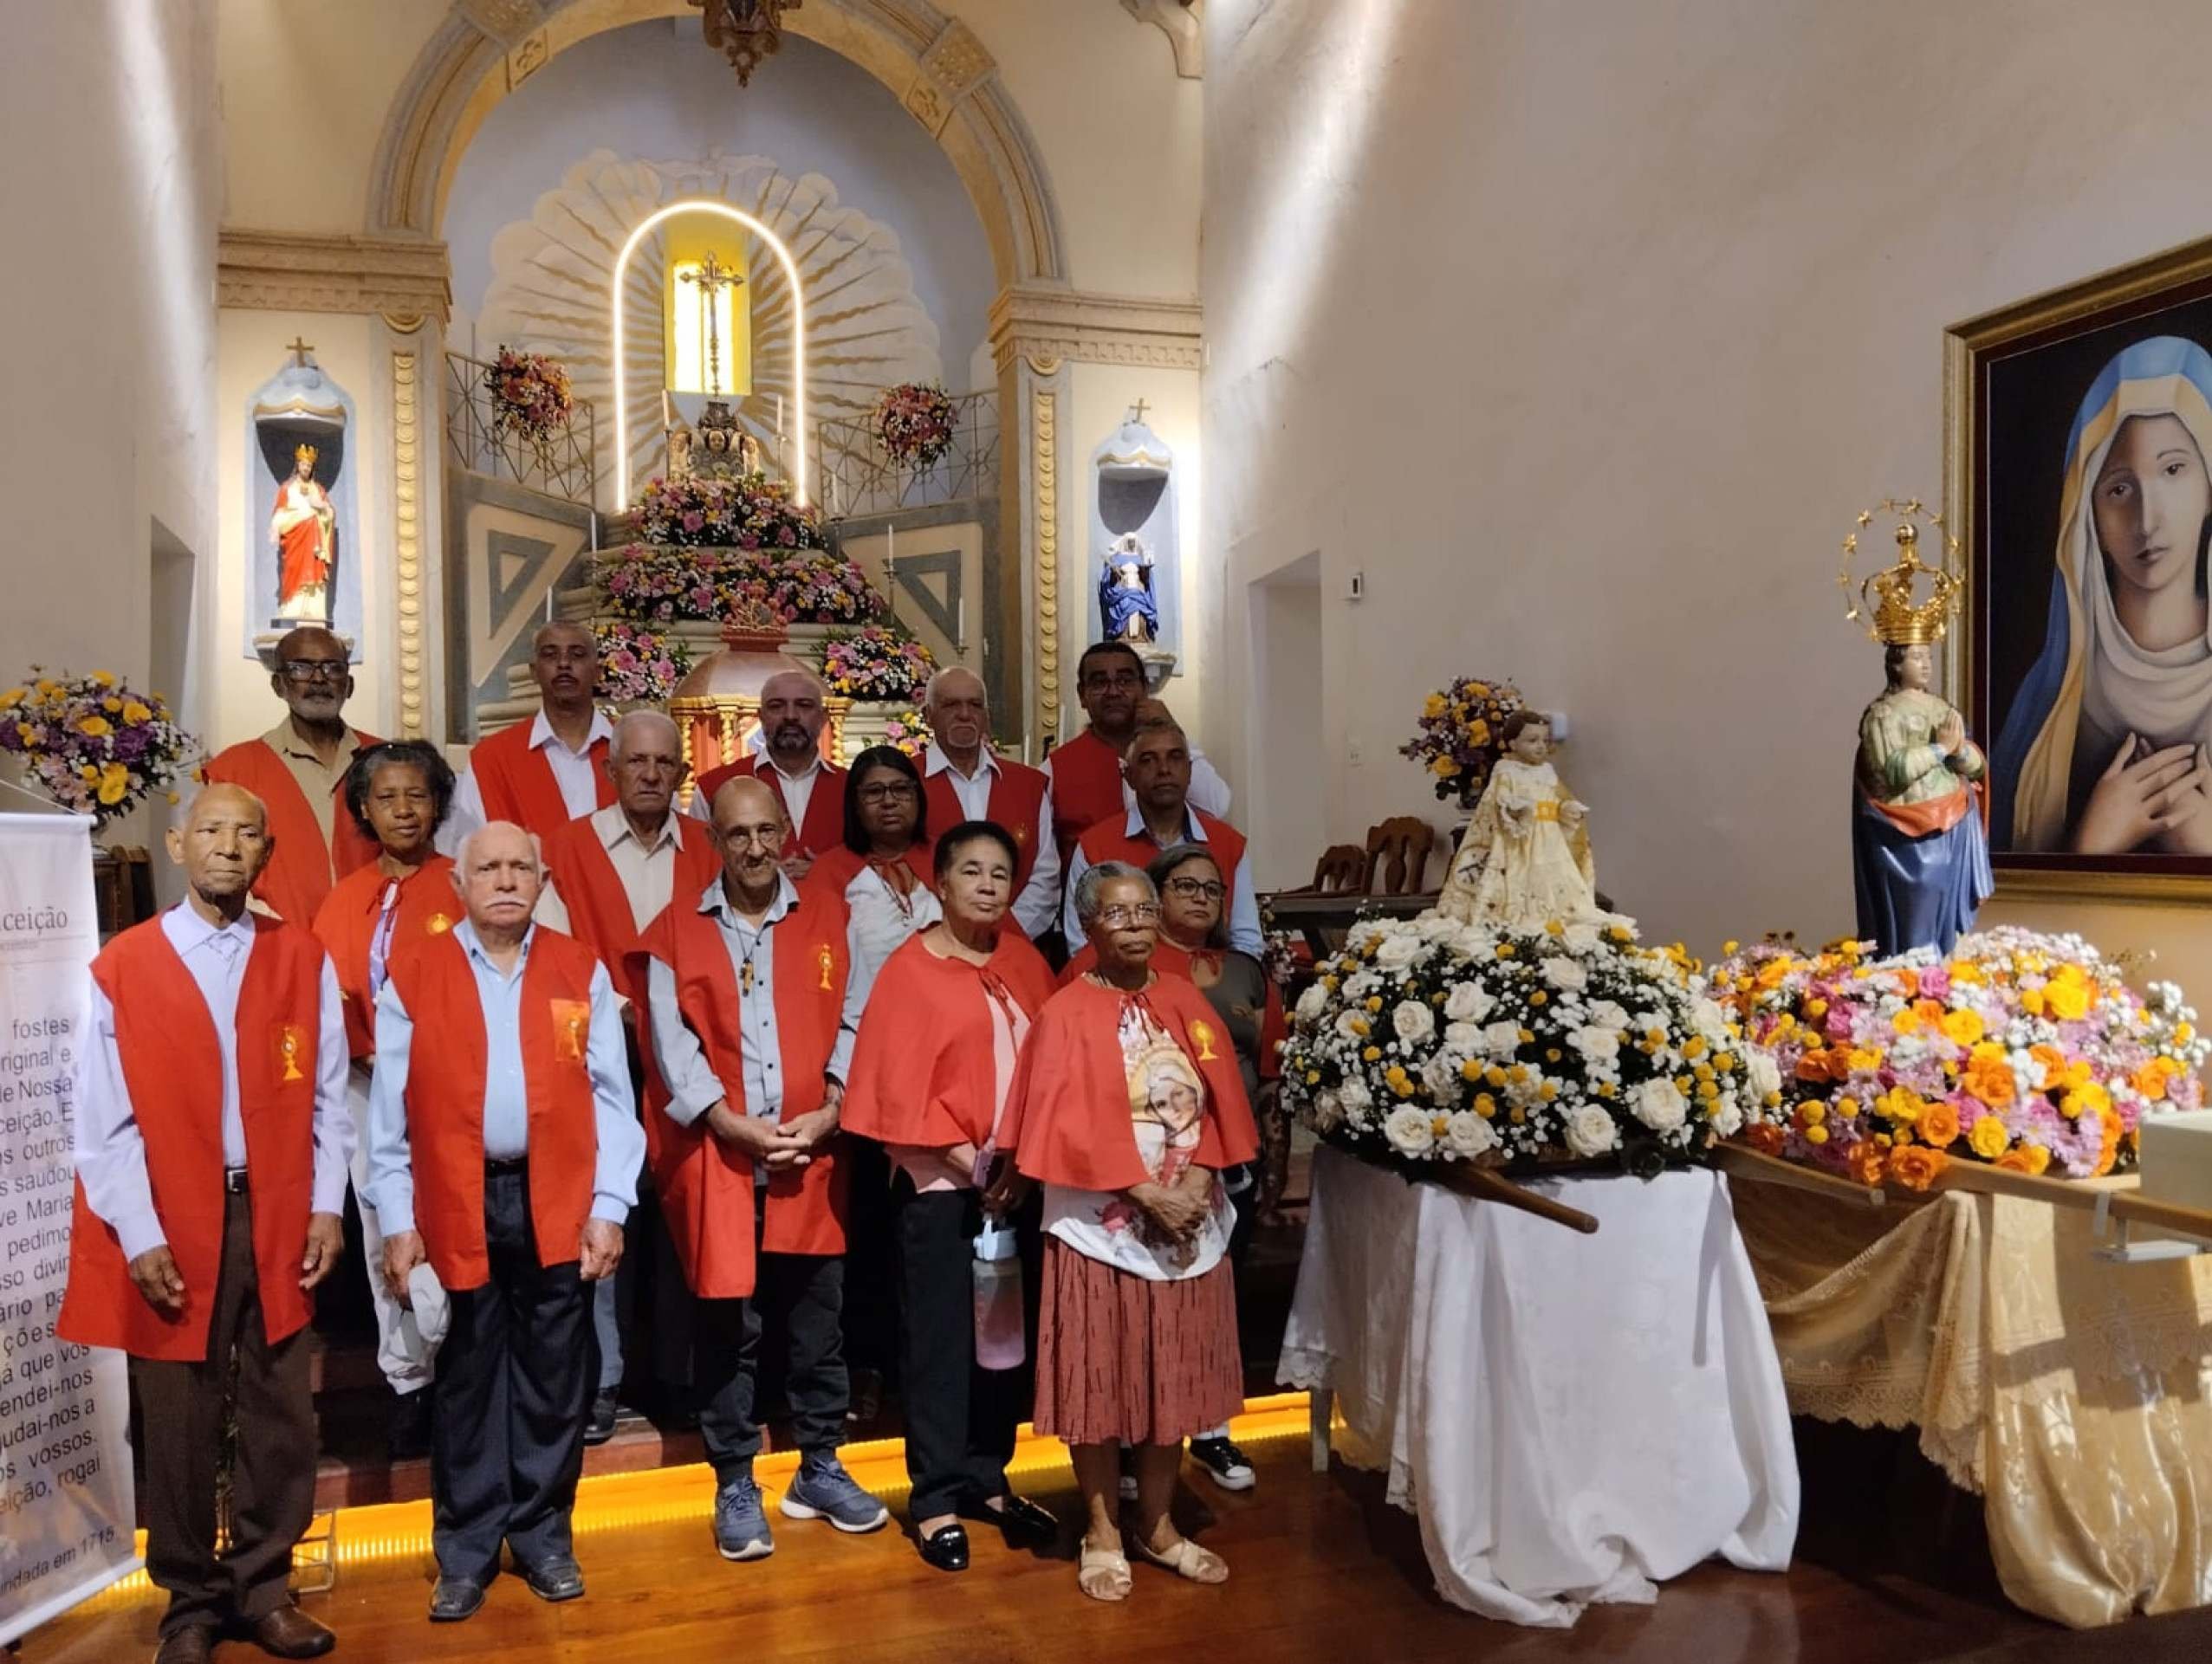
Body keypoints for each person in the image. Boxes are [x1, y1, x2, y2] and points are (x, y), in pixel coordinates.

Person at [58, 784, 351, 1664]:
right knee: (179, 1416)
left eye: (247, 833)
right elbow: (100, 1120)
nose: (229, 846)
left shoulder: (300, 956)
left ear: (267, 852)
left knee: (278, 1410)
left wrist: (327, 1204)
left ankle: (264, 1585)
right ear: (179, 842)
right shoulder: (126, 965)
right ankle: (188, 1600)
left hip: (276, 1209)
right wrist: (139, 1230)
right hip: (169, 1217)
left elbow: (330, 1100)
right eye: (211, 830)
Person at [367, 822, 644, 1623]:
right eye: (487, 866)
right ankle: (466, 1549)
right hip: (456, 1201)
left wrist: (609, 1206)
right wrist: (396, 1215)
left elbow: (613, 1103)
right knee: (466, 1379)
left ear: (544, 878)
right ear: (458, 881)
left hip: (557, 1197)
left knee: (557, 1376)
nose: (505, 879)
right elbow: (387, 1113)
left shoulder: (577, 967)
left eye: (520, 866)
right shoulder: (414, 970)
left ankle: (545, 1535)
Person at [641, 776, 888, 1564]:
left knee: (819, 1325)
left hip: (813, 1150)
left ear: (786, 830)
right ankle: (734, 1478)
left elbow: (858, 1014)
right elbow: (669, 1042)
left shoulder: (828, 916)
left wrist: (834, 1108)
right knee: (729, 1326)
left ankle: (819, 1463)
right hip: (722, 1155)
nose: (753, 848)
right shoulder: (674, 929)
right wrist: (726, 1121)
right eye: (735, 834)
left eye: (764, 831)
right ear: (712, 840)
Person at [1001, 862, 1259, 1602]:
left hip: (1186, 1220)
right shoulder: (1064, 1012)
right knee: (1101, 1377)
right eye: (1119, 913)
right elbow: (1055, 1121)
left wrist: (1201, 1177)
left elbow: (1219, 1102)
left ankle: (1158, 1520)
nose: (1139, 923)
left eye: (1147, 909)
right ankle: (1101, 1527)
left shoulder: (1183, 996)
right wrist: (1141, 1187)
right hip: (1100, 1228)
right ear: (1089, 925)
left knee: (1168, 1375)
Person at [841, 821, 1061, 1571]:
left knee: (1001, 1344)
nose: (988, 884)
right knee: (939, 1340)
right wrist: (975, 1162)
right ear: (940, 882)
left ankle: (985, 1473)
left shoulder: (1026, 962)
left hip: (1015, 1186)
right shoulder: (909, 970)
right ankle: (933, 1493)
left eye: (1001, 873)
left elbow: (1055, 1069)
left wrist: (1023, 1167)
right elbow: (895, 1090)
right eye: (972, 870)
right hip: (941, 1184)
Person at [537, 709, 721, 1443]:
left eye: (663, 763)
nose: (650, 774)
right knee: (603, 1209)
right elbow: (551, 951)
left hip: (695, 1055)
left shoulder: (708, 848)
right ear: (610, 771)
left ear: (682, 773)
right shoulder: (564, 847)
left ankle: (676, 1373)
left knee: (685, 1212)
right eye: (635, 762)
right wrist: (620, 1013)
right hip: (595, 1049)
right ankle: (602, 1379)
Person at [1995, 334, 2212, 853]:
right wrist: (2093, 841)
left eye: (2174, 470)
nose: (2147, 519)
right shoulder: (2050, 702)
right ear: (2086, 512)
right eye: (2118, 487)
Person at [309, 741, 458, 1461]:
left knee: (452, 1230)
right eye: (387, 797)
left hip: (451, 1093)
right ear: (363, 810)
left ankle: (459, 1372)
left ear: (439, 804)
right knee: (383, 1240)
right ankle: (409, 1384)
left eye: (418, 795)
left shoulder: (466, 884)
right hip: (367, 1093)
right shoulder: (343, 898)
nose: (404, 809)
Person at [802, 745, 941, 1423]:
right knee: (869, 1229)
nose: (888, 802)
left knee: (929, 1229)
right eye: (872, 792)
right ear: (853, 806)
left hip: (942, 1073)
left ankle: (930, 1363)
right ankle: (866, 1366)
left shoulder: (947, 862)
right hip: (864, 1071)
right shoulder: (830, 872)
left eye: (900, 789)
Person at [200, 625, 379, 927]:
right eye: (301, 668)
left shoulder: (383, 760)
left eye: (332, 668)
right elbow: (216, 868)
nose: (319, 679)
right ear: (279, 685)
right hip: (273, 940)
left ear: (348, 685)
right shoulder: (235, 769)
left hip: (373, 941)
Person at [1063, 715, 1261, 955]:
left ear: (1189, 772)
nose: (1164, 770)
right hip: (1123, 985)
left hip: (1214, 984)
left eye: (1175, 758)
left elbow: (1246, 943)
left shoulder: (1228, 844)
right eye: (1148, 761)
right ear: (1129, 776)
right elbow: (1081, 945)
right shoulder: (1095, 847)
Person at [1852, 639, 1993, 956]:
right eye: (1917, 657)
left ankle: (1941, 981)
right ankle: (1910, 981)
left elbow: (1975, 766)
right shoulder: (1883, 715)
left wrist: (1959, 752)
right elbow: (1893, 771)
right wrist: (1940, 749)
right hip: (1905, 833)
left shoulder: (1942, 709)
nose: (1926, 664)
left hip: (1952, 822)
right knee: (1916, 908)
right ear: (1896, 664)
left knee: (1948, 912)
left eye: (1928, 656)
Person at [1044, 642, 1230, 863]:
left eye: (1125, 680)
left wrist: (1170, 727)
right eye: (1100, 682)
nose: (1113, 692)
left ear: (1144, 688)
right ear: (1082, 695)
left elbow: (1217, 806)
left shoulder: (1170, 753)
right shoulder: (1055, 769)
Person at [445, 621, 615, 849]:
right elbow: (469, 850)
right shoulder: (493, 759)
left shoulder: (633, 749)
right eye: (550, 655)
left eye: (577, 654)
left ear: (598, 672)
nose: (564, 664)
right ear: (534, 673)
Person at [919, 668, 1061, 938]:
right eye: (951, 705)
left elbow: (1045, 877)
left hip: (1014, 946)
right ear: (928, 715)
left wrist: (1005, 934)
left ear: (987, 716)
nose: (964, 714)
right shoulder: (905, 783)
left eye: (974, 705)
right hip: (929, 948)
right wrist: (947, 938)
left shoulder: (1027, 785)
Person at [687, 668, 847, 872]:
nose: (791, 716)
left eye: (804, 705)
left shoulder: (853, 787)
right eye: (777, 706)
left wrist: (829, 871)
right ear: (761, 716)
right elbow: (697, 865)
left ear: (823, 718)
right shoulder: (713, 787)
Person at [270, 442, 336, 621]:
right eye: (303, 464)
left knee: (314, 574)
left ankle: (313, 612)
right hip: (295, 541)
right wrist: (276, 528)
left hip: (314, 543)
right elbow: (279, 513)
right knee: (294, 572)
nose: (306, 468)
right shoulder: (287, 488)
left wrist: (321, 506)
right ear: (297, 465)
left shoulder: (319, 490)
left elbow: (330, 513)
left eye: (309, 465)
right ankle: (293, 608)